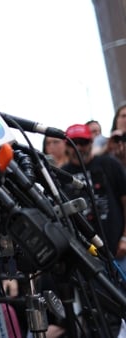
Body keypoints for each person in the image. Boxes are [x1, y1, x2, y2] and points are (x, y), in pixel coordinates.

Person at [59, 123, 126, 337]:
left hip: (117, 249)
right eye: (73, 142)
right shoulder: (61, 176)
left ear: (90, 142)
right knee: (101, 311)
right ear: (66, 145)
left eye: (83, 142)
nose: (78, 147)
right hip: (88, 256)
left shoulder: (109, 165)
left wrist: (125, 238)